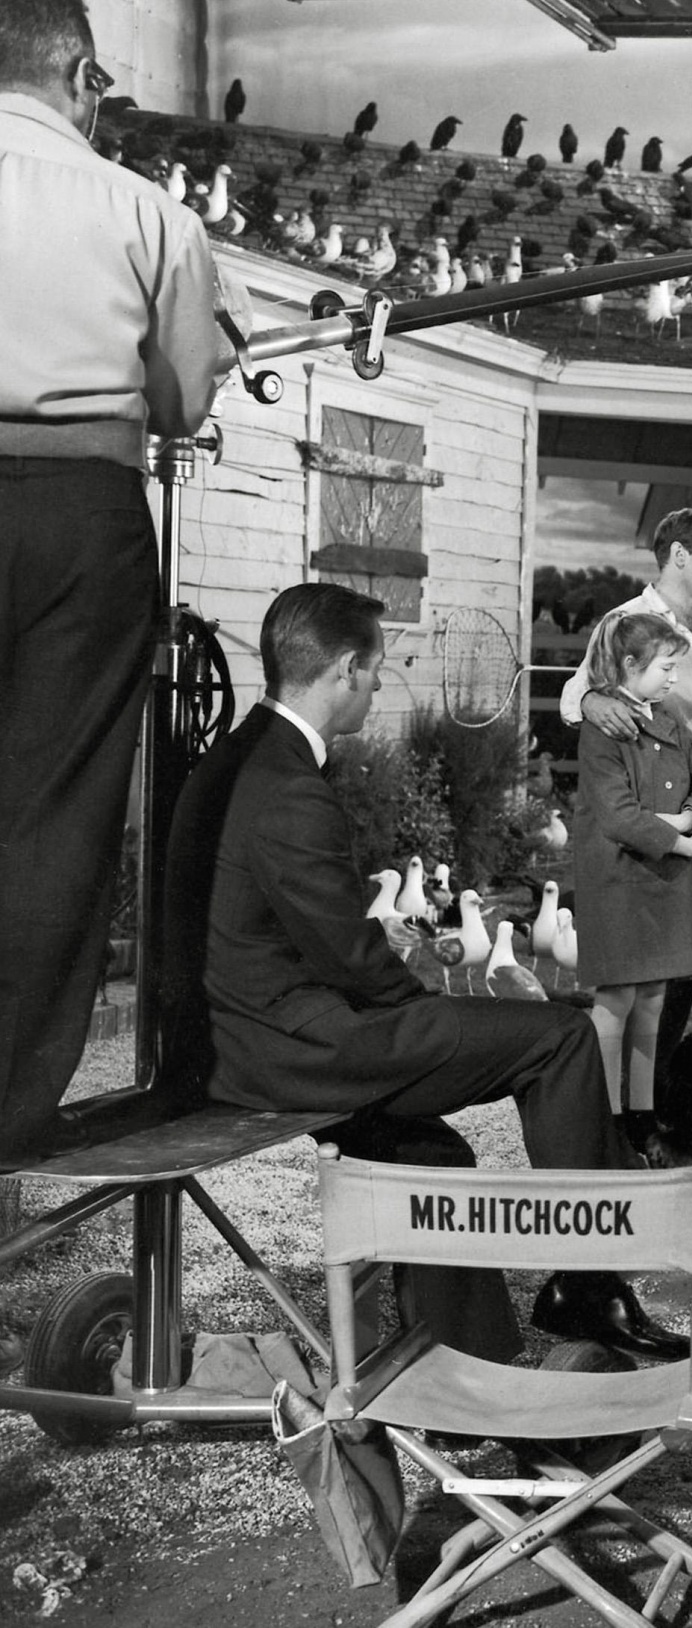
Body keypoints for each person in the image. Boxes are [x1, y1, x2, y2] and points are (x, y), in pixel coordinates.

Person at [164, 584, 688, 1361]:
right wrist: (431, 1008)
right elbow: (352, 957)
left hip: (243, 1039)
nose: (379, 687)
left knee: (435, 1159)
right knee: (562, 1036)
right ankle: (589, 1286)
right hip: (289, 1050)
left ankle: (468, 1371)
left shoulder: (239, 759)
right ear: (343, 669)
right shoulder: (287, 787)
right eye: (376, 670)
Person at [0, 0, 234, 1158]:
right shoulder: (144, 210)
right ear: (83, 74)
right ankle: (4, 1111)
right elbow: (186, 402)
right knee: (54, 818)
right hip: (80, 512)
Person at [561, 507, 692, 1059]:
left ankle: (655, 1091)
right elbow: (576, 692)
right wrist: (592, 699)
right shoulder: (626, 622)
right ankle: (624, 1096)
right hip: (646, 791)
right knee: (640, 970)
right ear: (678, 556)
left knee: (689, 953)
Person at [571, 614, 692, 1144]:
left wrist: (688, 820)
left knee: (653, 995)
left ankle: (642, 1110)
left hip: (664, 878)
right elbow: (616, 816)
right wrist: (681, 842)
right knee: (616, 998)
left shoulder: (671, 724)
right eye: (666, 667)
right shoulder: (604, 729)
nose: (674, 678)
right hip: (620, 879)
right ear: (630, 666)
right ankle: (605, 1114)